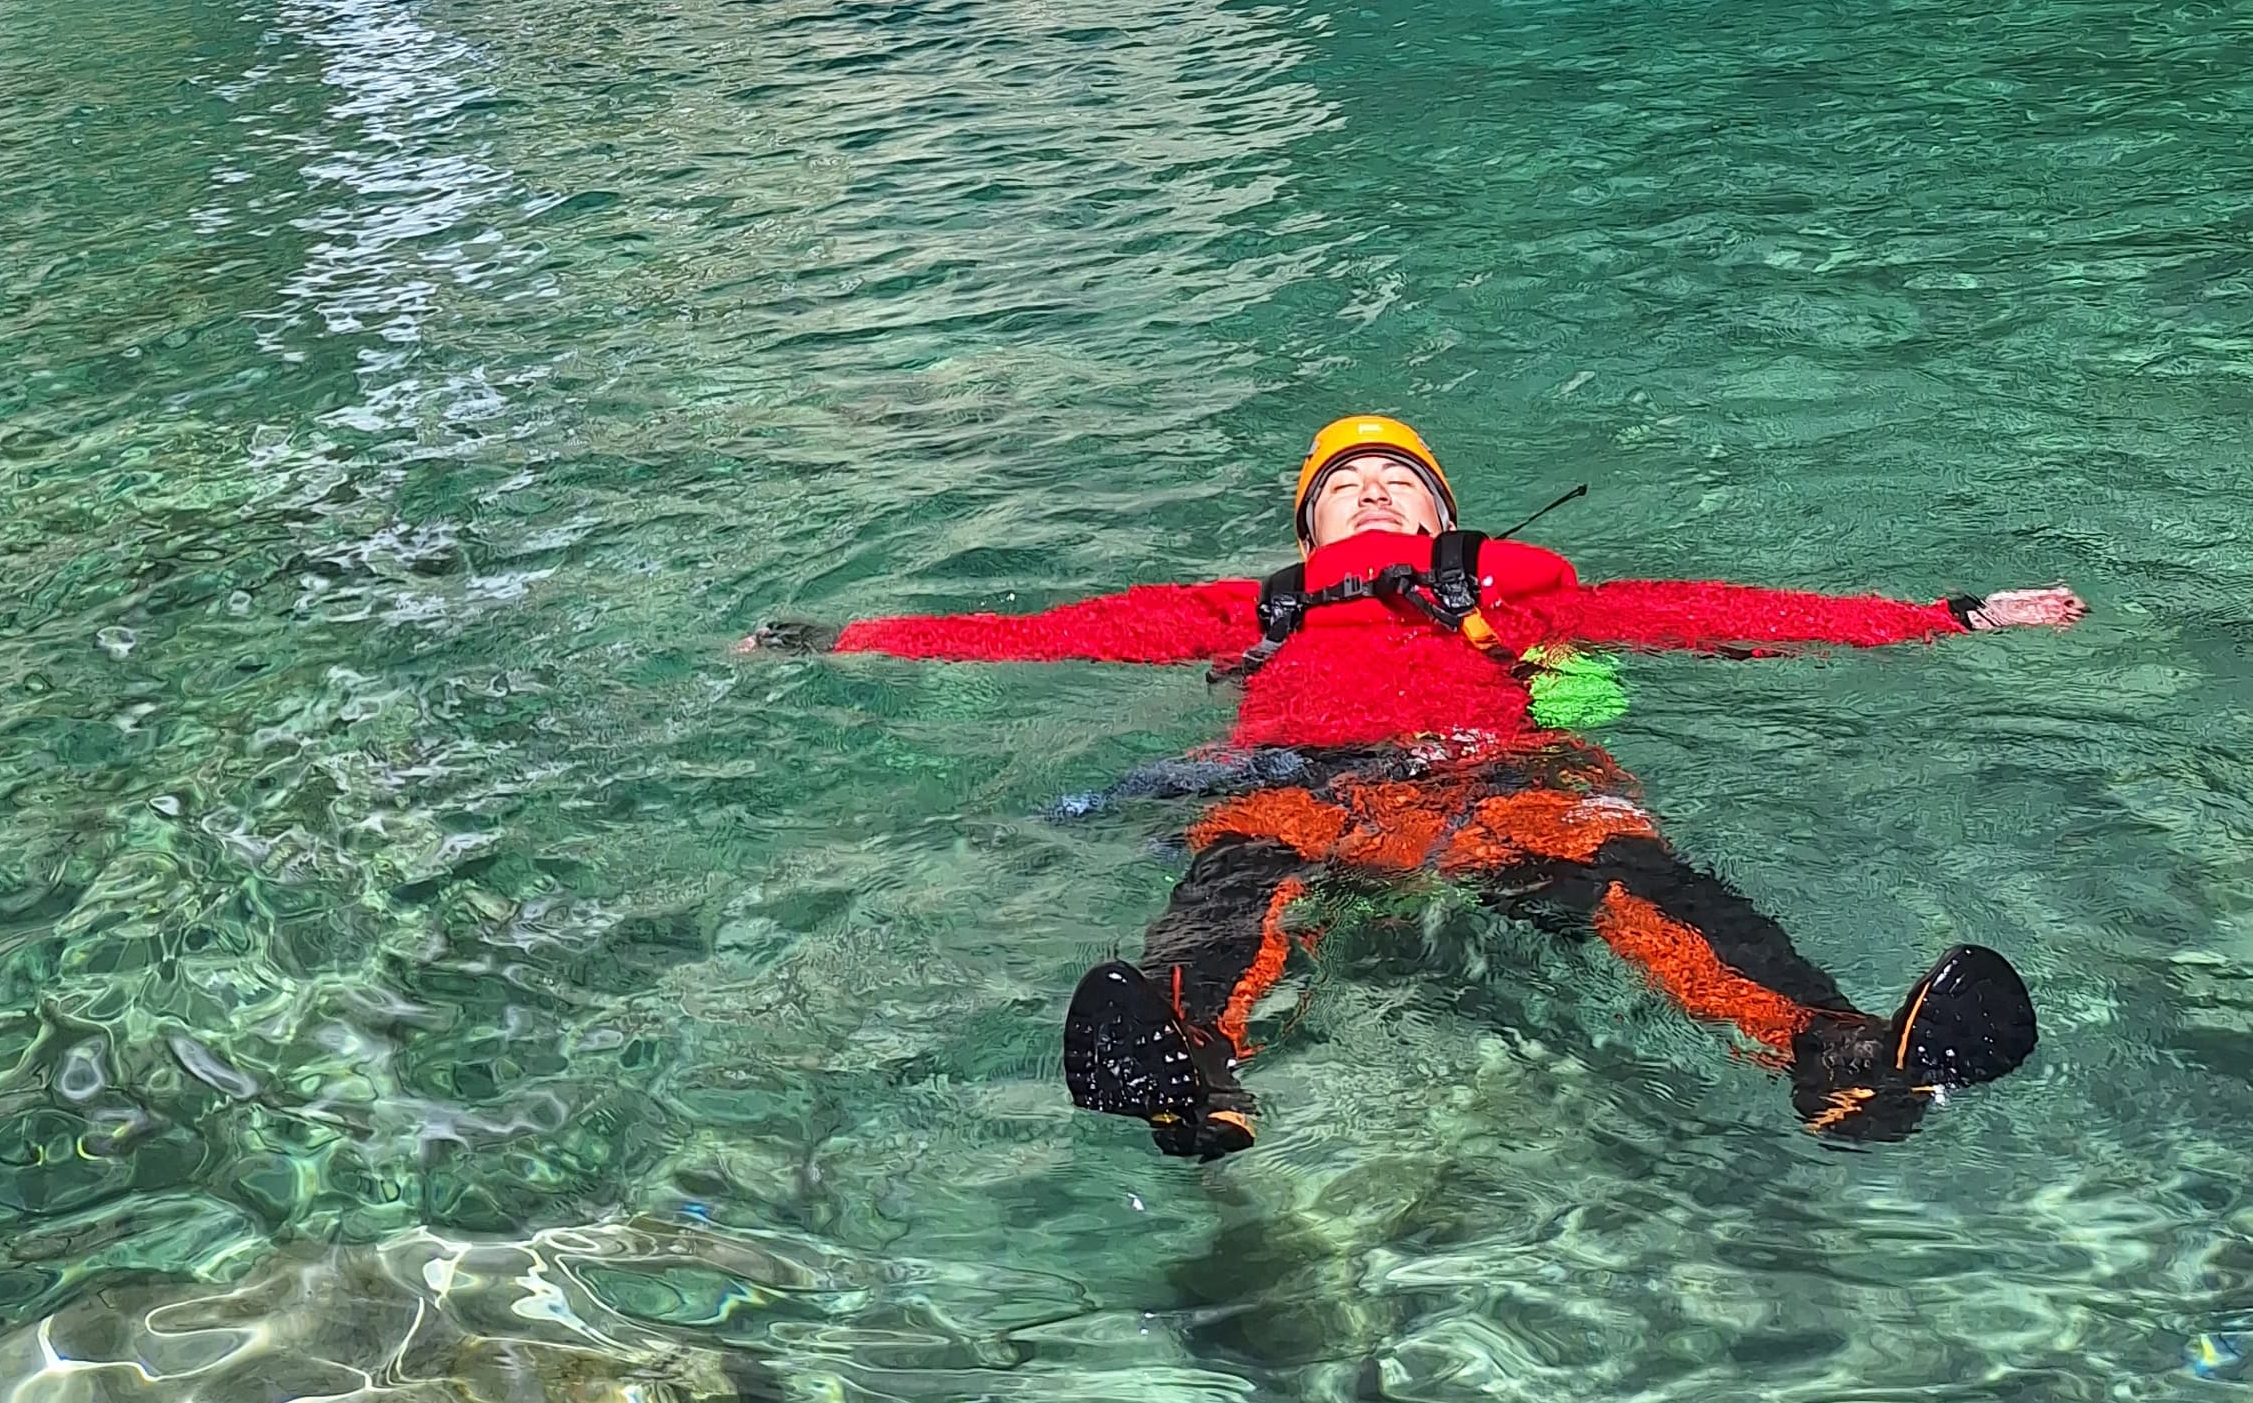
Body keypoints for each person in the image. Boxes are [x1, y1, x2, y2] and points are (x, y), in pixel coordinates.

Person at [754, 414, 2086, 1155]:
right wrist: (838, 639)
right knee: (1236, 876)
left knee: (1647, 887)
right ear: (1306, 529)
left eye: (1404, 482)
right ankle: (1193, 1070)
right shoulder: (1246, 615)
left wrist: (1949, 614)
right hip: (1307, 786)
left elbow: (1705, 610)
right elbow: (1048, 634)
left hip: (1501, 782)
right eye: (1348, 491)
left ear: (1448, 515)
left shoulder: (1508, 608)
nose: (1379, 497)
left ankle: (1843, 1054)